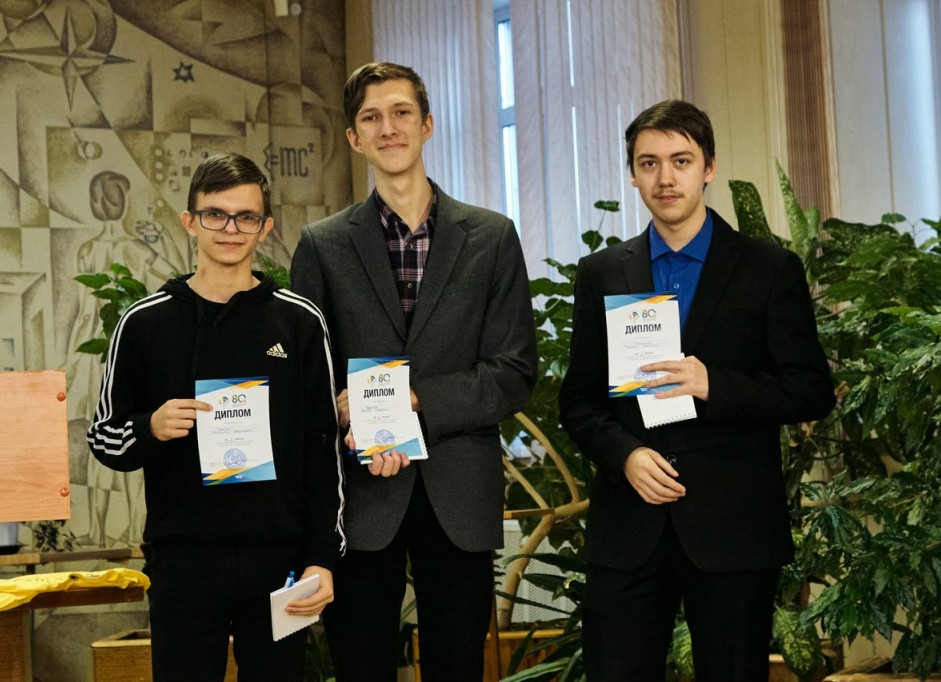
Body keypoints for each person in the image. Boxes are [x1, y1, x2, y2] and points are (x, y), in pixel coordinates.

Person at [558, 100, 835, 681]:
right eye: (649, 163)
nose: (665, 178)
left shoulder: (769, 268)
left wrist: (715, 385)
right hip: (629, 529)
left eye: (680, 161)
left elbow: (811, 390)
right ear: (633, 174)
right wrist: (625, 455)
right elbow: (579, 401)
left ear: (708, 167)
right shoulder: (602, 273)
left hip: (733, 530)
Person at [290, 62, 537, 681]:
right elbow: (305, 379)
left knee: (458, 668)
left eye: (401, 113)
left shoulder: (491, 237)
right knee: (361, 668)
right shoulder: (322, 245)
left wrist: (413, 398)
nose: (388, 128)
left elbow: (512, 372)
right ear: (354, 138)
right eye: (371, 118)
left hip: (459, 491)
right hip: (361, 492)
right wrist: (337, 405)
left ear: (427, 124)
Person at [87, 152, 343, 681]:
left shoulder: (299, 321)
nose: (231, 229)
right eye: (216, 214)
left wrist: (322, 557)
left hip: (280, 563)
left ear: (265, 227)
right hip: (184, 561)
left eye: (246, 217)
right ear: (190, 221)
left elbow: (324, 450)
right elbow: (104, 437)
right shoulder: (144, 323)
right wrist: (150, 427)